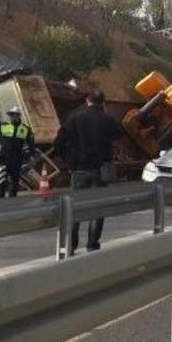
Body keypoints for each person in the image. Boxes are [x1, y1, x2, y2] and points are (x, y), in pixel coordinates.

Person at [54, 89, 122, 252]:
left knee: (75, 208)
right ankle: (92, 244)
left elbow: (58, 142)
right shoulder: (107, 120)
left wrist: (68, 161)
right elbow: (119, 135)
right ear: (102, 102)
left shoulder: (75, 119)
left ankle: (70, 245)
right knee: (97, 209)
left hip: (79, 170)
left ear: (87, 100)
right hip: (101, 171)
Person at [0, 106, 35, 198]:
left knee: (14, 180)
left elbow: (31, 144)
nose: (11, 117)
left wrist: (31, 156)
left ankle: (12, 199)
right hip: (4, 157)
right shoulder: (4, 126)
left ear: (18, 116)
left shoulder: (25, 129)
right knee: (2, 179)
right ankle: (0, 198)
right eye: (10, 115)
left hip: (17, 158)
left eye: (13, 115)